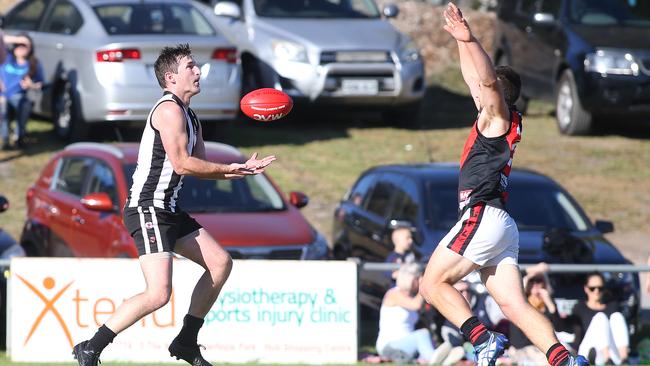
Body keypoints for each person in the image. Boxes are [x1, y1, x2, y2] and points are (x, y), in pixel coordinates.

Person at [71, 44, 276, 366]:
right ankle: (91, 346)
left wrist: (237, 171)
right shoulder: (168, 110)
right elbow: (182, 164)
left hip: (167, 207)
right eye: (191, 66)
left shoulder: (190, 115)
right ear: (171, 77)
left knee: (220, 263)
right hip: (147, 208)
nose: (198, 71)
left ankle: (186, 342)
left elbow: (202, 166)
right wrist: (229, 169)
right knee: (158, 293)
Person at [418, 3, 587, 366]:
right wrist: (462, 43)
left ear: (495, 93)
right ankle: (564, 359)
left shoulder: (495, 117)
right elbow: (476, 79)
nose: (476, 88)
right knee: (513, 303)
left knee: (431, 285)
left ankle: (483, 339)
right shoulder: (498, 118)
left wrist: (472, 39)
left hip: (481, 217)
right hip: (500, 224)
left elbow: (486, 81)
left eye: (483, 87)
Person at [376, 262, 448, 364]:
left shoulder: (410, 297)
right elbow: (416, 305)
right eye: (418, 279)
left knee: (424, 337)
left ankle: (437, 357)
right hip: (389, 346)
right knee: (422, 334)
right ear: (412, 279)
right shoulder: (393, 294)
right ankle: (434, 359)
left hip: (406, 344)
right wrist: (424, 285)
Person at [573, 272, 629, 365]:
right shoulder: (579, 307)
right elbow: (571, 332)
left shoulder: (612, 306)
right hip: (589, 352)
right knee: (600, 317)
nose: (596, 291)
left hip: (613, 354)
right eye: (592, 288)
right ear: (586, 289)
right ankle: (607, 360)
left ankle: (624, 359)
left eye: (600, 288)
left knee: (617, 316)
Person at [0, 33, 44, 150]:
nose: (21, 47)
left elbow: (40, 83)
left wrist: (31, 85)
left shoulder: (33, 63)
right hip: (3, 95)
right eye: (18, 45)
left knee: (24, 104)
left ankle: (19, 136)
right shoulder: (6, 57)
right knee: (2, 107)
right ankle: (5, 139)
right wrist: (17, 39)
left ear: (30, 48)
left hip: (18, 95)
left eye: (24, 45)